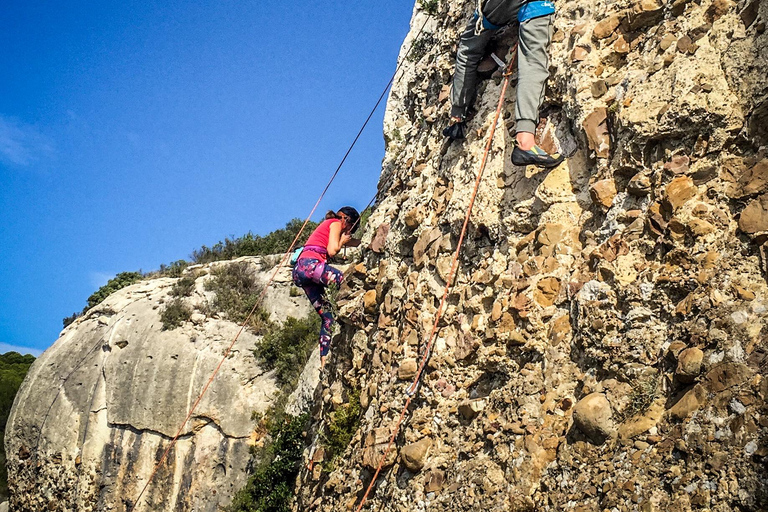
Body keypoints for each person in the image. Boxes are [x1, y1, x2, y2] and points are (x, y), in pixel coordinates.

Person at [443, 0, 564, 169]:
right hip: (533, 5)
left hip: (494, 7)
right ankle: (525, 140)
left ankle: (457, 116)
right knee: (533, 61)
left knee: (468, 49)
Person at [292, 206, 360, 368]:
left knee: (328, 317)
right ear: (346, 220)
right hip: (310, 265)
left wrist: (356, 242)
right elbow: (333, 249)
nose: (350, 231)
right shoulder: (335, 222)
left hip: (300, 272)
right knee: (346, 281)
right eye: (352, 227)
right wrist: (342, 242)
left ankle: (324, 361)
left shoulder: (329, 227)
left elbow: (355, 243)